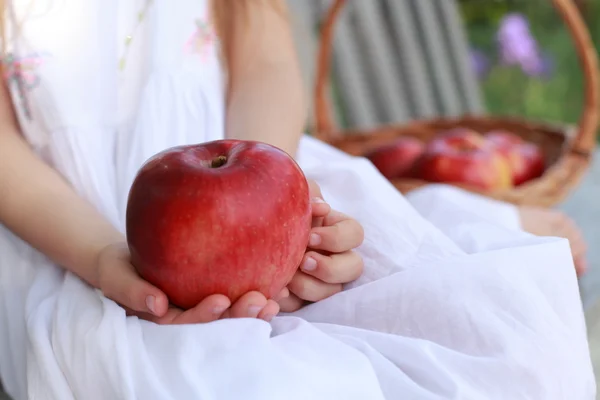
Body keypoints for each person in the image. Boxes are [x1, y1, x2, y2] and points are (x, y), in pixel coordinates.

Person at [0, 1, 594, 399]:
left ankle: (455, 216)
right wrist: (105, 258)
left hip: (259, 163)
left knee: (513, 344)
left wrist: (278, 211)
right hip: (67, 230)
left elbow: (263, 59)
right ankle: (460, 212)